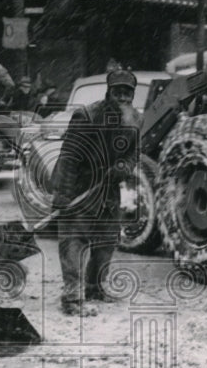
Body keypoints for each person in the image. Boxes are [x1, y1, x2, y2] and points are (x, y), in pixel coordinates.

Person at [52, 68, 142, 317]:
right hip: (81, 182)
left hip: (109, 186)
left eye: (127, 92)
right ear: (108, 92)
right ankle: (71, 299)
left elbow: (135, 152)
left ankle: (94, 286)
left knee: (107, 239)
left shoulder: (136, 118)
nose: (123, 96)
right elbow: (69, 157)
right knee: (74, 239)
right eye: (118, 92)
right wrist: (63, 195)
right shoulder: (86, 116)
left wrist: (124, 166)